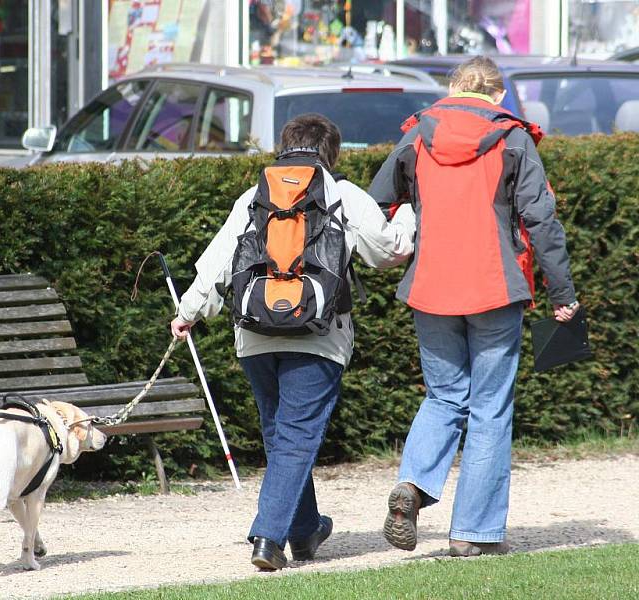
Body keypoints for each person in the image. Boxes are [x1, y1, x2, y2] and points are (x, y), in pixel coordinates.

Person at [170, 113, 415, 570]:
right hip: (318, 334)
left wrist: (187, 313)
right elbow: (388, 252)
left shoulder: (253, 196)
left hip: (255, 333)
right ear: (331, 152)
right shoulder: (342, 194)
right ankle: (268, 536)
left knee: (279, 434)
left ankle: (305, 532)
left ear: (285, 146)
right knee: (297, 436)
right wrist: (408, 215)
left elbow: (218, 261)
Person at [369, 56, 580, 557]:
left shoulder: (418, 134)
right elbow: (542, 220)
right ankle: (473, 534)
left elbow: (378, 201)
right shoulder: (513, 136)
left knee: (444, 397)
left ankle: (414, 486)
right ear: (499, 95)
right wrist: (563, 293)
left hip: (431, 285)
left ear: (452, 87)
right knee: (489, 408)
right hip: (494, 286)